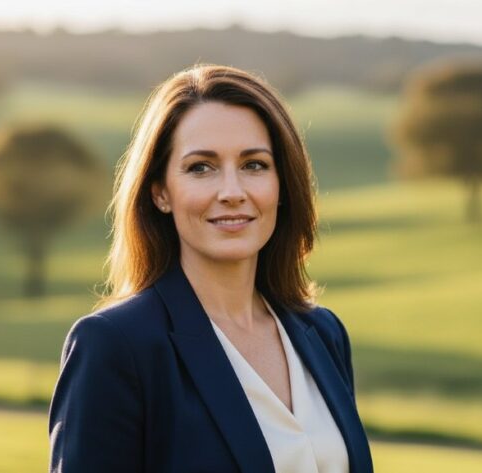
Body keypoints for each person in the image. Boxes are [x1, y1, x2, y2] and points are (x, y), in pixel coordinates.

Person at [48, 64, 374, 473]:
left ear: (282, 185)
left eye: (254, 165)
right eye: (201, 167)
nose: (232, 192)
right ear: (161, 192)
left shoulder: (323, 334)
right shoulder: (116, 346)